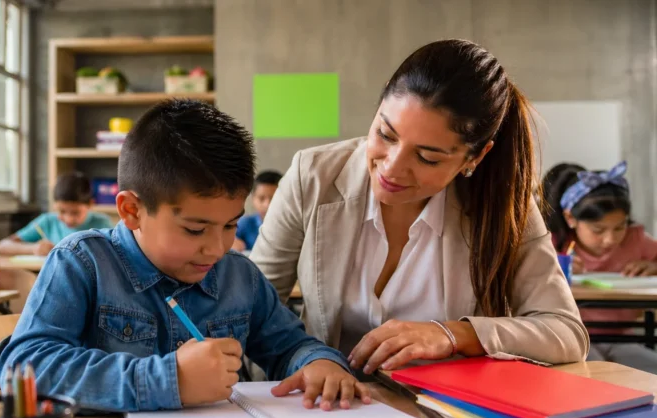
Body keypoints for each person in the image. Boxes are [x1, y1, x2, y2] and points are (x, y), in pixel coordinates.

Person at [0, 99, 369, 413]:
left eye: (230, 226)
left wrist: (319, 362)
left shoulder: (240, 277)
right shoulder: (82, 263)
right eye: (195, 229)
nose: (217, 248)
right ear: (132, 211)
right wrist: (168, 380)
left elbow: (291, 345)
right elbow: (24, 366)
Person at [250, 39, 589, 376]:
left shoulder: (502, 203)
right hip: (326, 409)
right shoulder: (312, 177)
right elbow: (250, 312)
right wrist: (304, 366)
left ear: (476, 157)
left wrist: (453, 334)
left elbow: (565, 331)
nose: (392, 168)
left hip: (450, 413)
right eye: (385, 134)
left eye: (427, 157)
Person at [542, 161, 657, 373]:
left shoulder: (636, 239)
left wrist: (652, 265)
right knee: (591, 374)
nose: (609, 239)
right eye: (598, 230)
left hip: (622, 337)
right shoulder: (552, 244)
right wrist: (553, 265)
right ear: (570, 218)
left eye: (619, 227)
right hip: (573, 339)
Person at [0, 172, 113, 256]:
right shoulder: (47, 222)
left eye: (75, 213)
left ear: (90, 204)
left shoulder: (103, 224)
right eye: (62, 211)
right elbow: (2, 246)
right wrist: (33, 248)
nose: (68, 219)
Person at [233, 170, 283, 252]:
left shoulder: (294, 227)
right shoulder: (245, 223)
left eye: (274, 198)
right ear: (253, 198)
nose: (267, 204)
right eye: (261, 198)